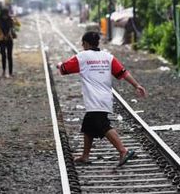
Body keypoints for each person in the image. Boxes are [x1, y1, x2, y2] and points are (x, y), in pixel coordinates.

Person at [57, 31, 147, 166]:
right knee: (88, 126)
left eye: (83, 43)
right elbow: (123, 73)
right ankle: (85, 156)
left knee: (102, 125)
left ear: (86, 43)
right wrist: (137, 85)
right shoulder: (108, 57)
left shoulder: (82, 57)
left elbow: (64, 70)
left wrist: (59, 64)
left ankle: (123, 151)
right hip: (105, 98)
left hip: (94, 100)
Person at [0, 8, 19, 78]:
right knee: (3, 56)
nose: (5, 16)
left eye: (6, 15)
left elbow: (19, 25)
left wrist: (15, 18)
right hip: (1, 40)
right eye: (3, 15)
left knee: (9, 56)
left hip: (9, 40)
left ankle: (10, 72)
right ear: (1, 15)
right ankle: (4, 71)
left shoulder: (11, 20)